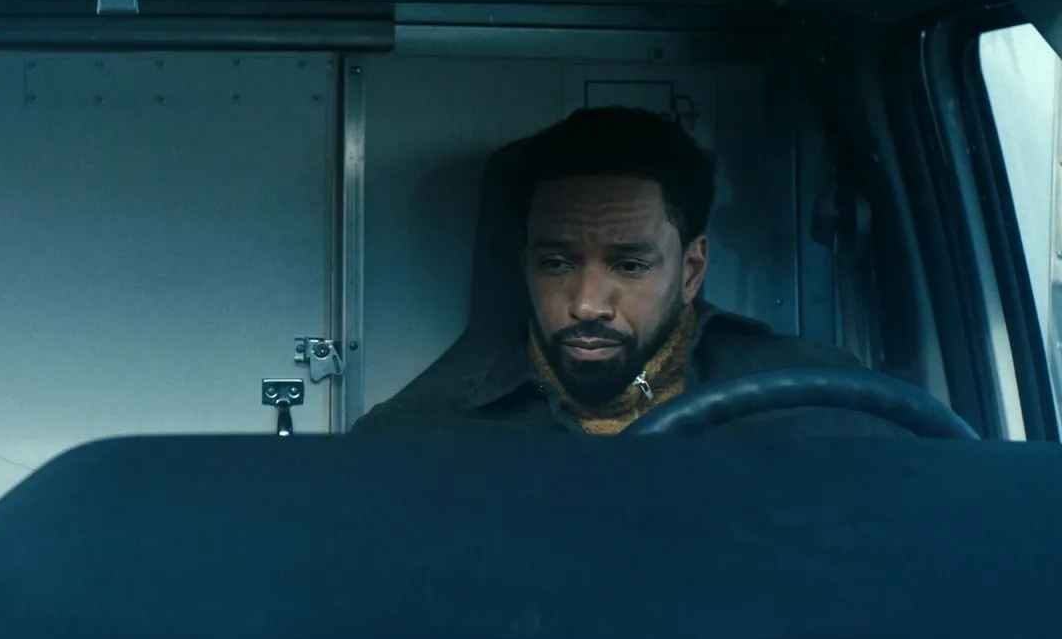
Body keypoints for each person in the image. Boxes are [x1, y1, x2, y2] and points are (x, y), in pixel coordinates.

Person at [352, 106, 906, 437]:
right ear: (525, 264)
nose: (587, 304)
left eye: (630, 265)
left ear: (691, 271)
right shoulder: (418, 434)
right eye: (556, 262)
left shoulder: (820, 403)